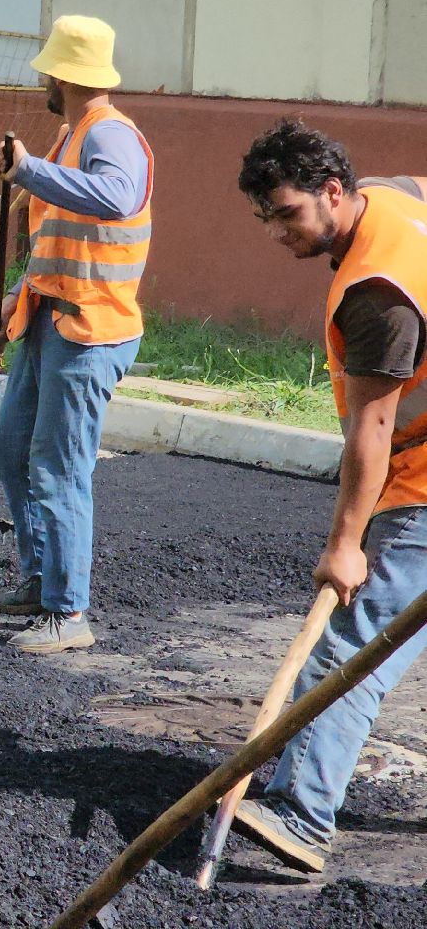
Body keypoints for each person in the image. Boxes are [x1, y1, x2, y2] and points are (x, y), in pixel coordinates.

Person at [229, 120, 427, 874]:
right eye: (267, 217)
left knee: (354, 646)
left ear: (333, 191)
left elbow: (372, 431)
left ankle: (300, 815)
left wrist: (345, 546)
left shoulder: (378, 293)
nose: (277, 232)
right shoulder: (395, 197)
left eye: (286, 213)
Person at [0, 14, 154, 654]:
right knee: (13, 444)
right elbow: (58, 243)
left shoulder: (112, 137)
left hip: (89, 329)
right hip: (49, 319)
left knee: (59, 467)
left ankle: (68, 612)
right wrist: (11, 306)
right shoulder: (71, 134)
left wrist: (27, 171)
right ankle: (40, 577)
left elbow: (115, 197)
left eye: (50, 71)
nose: (44, 81)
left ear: (66, 74)